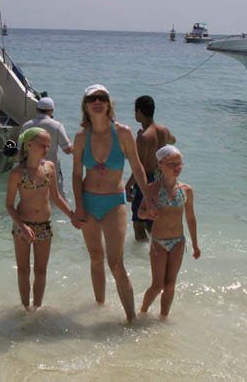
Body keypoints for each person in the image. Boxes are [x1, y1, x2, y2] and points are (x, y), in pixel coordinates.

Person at [71, 84, 153, 322]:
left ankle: (131, 320)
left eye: (102, 98)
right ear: (85, 106)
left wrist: (148, 200)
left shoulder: (124, 133)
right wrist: (78, 206)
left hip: (114, 203)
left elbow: (137, 168)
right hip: (88, 201)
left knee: (115, 262)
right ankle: (99, 309)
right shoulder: (80, 137)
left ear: (109, 103)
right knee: (96, 257)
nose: (97, 101)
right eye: (92, 98)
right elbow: (77, 174)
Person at [6, 127, 74, 311]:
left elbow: (56, 197)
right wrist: (21, 226)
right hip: (23, 226)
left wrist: (72, 216)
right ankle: (25, 307)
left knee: (41, 271)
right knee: (23, 270)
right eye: (42, 145)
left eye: (48, 146)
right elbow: (10, 206)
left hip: (45, 225)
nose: (46, 149)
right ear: (29, 145)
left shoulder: (49, 167)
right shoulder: (17, 173)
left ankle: (36, 308)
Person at [139, 145, 200, 318]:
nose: (177, 167)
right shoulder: (152, 189)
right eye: (172, 164)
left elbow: (191, 218)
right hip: (159, 242)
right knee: (157, 285)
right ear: (161, 165)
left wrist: (195, 244)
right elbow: (140, 212)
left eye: (179, 163)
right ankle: (142, 312)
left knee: (170, 285)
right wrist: (149, 214)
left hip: (178, 242)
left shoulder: (186, 190)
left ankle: (163, 318)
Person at [126, 95, 177, 241]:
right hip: (161, 180)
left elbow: (139, 167)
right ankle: (155, 249)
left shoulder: (143, 137)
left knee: (138, 222)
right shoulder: (163, 130)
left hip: (146, 181)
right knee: (152, 220)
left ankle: (141, 258)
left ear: (139, 112)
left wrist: (127, 186)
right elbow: (173, 140)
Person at [20, 97, 73, 198]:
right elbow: (68, 150)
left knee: (33, 199)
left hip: (30, 170)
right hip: (52, 169)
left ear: (37, 109)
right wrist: (69, 141)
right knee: (56, 198)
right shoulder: (57, 126)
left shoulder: (26, 126)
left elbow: (20, 151)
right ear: (51, 110)